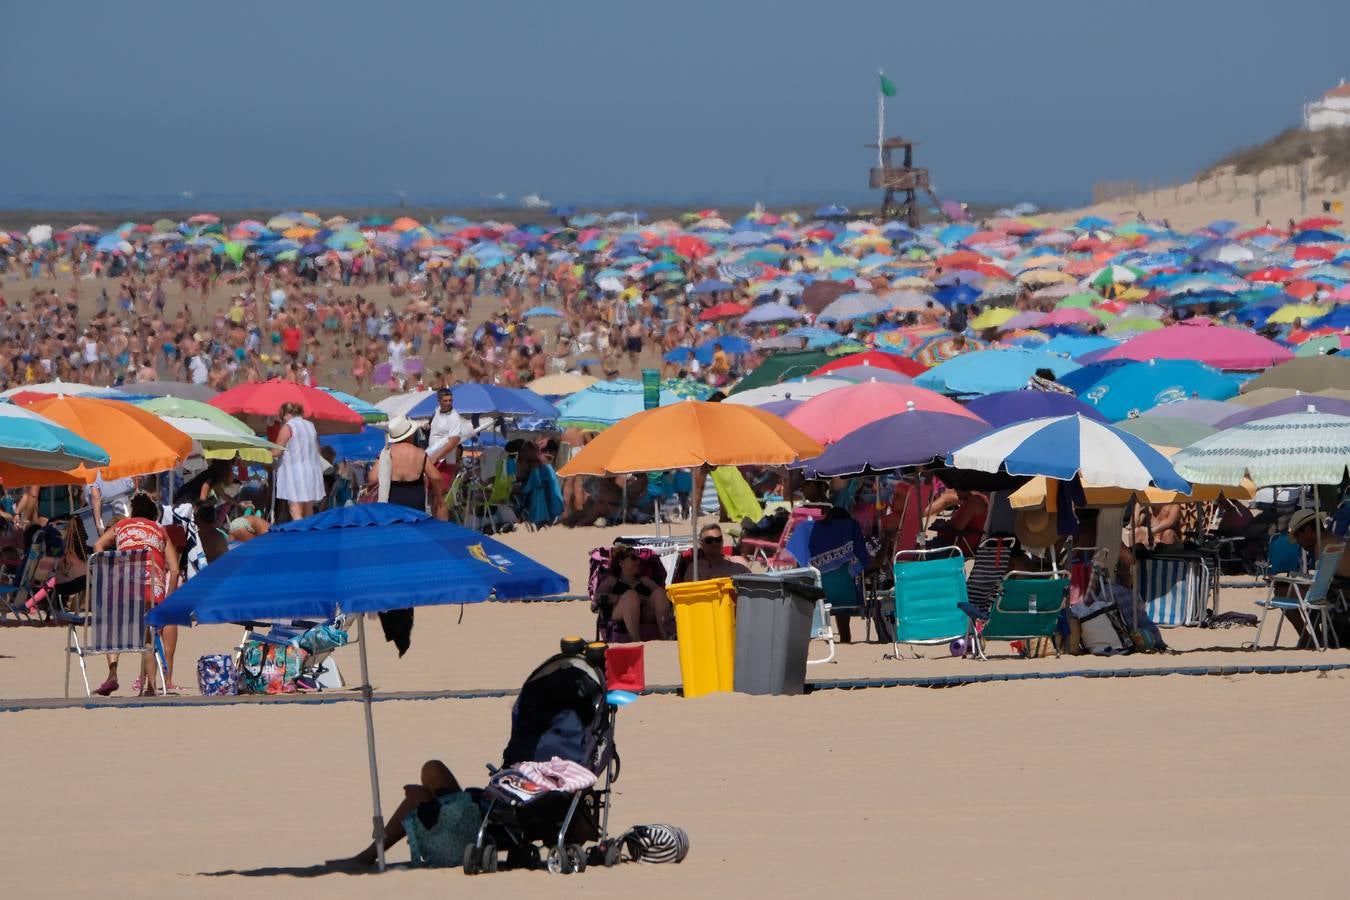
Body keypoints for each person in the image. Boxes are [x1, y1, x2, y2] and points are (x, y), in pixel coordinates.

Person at [91, 493, 181, 696]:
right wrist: (169, 600)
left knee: (112, 627)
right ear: (153, 515)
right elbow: (174, 570)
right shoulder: (160, 530)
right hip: (152, 590)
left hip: (122, 589)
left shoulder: (122, 526)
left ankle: (112, 673)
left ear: (133, 512)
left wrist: (106, 572)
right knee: (148, 634)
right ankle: (150, 686)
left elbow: (98, 546)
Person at [335, 760, 480, 868]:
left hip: (487, 820)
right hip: (485, 802)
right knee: (432, 768)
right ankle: (369, 854)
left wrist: (424, 800)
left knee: (416, 798)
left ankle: (369, 855)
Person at [597, 545, 673, 639]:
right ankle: (636, 639)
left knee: (659, 593)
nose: (638, 561)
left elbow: (663, 597)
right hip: (620, 613)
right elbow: (596, 598)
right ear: (621, 562)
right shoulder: (612, 581)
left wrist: (641, 599)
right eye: (633, 558)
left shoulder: (644, 580)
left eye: (638, 558)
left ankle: (666, 636)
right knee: (631, 596)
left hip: (645, 614)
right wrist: (620, 598)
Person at [369, 416, 443, 511]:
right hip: (415, 502)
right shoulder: (420, 453)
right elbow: (436, 477)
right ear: (410, 435)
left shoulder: (386, 453)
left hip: (392, 500)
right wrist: (438, 495)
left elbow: (372, 478)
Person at [272, 401, 325, 520]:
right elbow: (318, 451)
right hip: (311, 472)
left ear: (285, 415)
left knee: (295, 509)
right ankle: (309, 536)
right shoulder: (310, 426)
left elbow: (276, 451)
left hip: (294, 473)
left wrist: (264, 451)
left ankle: (300, 537)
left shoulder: (288, 426)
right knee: (308, 509)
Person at [673, 523, 750, 582]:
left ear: (722, 542)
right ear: (701, 544)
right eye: (709, 540)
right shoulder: (695, 569)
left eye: (718, 540)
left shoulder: (738, 564)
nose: (714, 543)